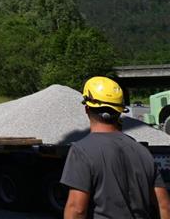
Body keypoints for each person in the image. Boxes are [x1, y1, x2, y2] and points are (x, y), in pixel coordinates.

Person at [62, 76, 170, 219]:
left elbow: (76, 209)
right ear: (119, 112)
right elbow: (164, 206)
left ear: (87, 109)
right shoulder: (142, 151)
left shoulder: (82, 151)